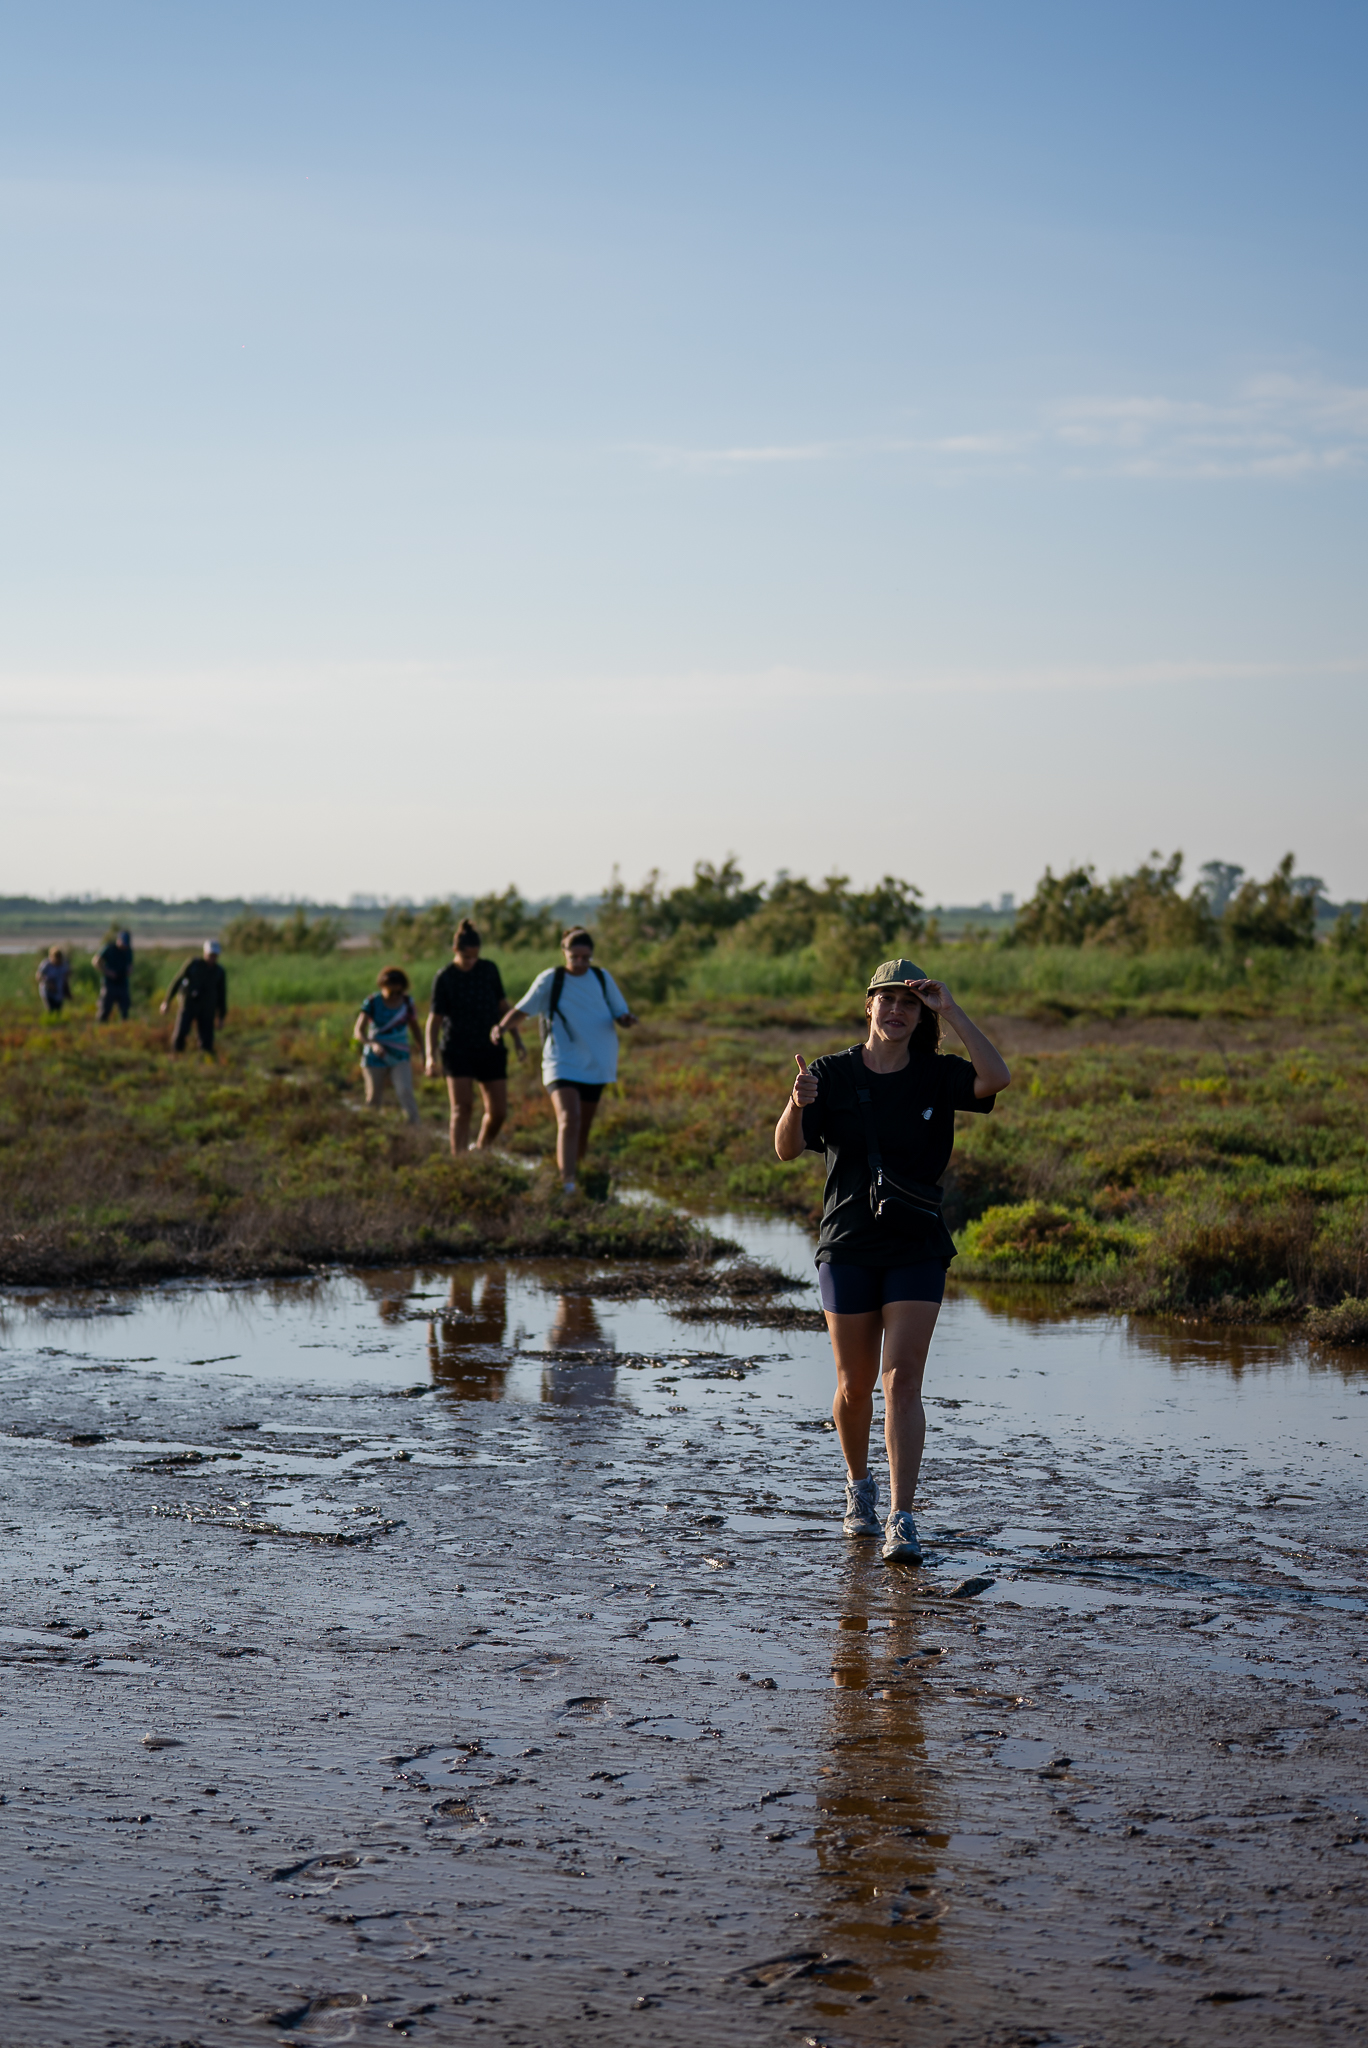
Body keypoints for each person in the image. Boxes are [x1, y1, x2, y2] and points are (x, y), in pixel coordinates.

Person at [774, 959, 1011, 1565]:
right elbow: (785, 1149)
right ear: (869, 1006)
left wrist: (951, 1010)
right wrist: (797, 1103)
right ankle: (859, 1489)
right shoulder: (830, 1072)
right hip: (848, 1243)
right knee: (854, 1386)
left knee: (902, 1378)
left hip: (917, 1245)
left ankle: (902, 1518)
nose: (898, 1011)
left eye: (910, 1002)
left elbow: (997, 1077)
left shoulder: (937, 1076)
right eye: (888, 1000)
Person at [493, 927, 637, 1194]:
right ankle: (566, 1183)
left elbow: (620, 1012)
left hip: (597, 1062)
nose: (581, 963)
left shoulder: (602, 978)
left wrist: (627, 1020)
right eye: (575, 957)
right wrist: (500, 1028)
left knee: (583, 1126)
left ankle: (577, 1174)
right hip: (561, 1061)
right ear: (564, 953)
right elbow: (522, 1010)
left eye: (586, 958)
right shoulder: (551, 980)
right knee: (570, 1118)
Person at [425, 917, 516, 1153]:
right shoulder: (445, 977)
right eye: (467, 957)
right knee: (462, 1108)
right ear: (456, 950)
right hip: (457, 1049)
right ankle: (460, 1162)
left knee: (498, 1111)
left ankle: (482, 1148)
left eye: (475, 956)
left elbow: (503, 1006)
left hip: (490, 1046)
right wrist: (430, 1055)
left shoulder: (489, 969)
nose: (471, 961)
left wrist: (517, 1039)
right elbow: (434, 1019)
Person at [354, 966, 424, 1124]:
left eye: (398, 992)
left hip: (400, 1056)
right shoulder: (372, 1002)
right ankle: (370, 1128)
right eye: (391, 992)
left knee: (405, 1091)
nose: (395, 996)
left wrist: (424, 1051)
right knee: (373, 1097)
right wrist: (372, 1044)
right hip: (375, 1057)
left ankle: (415, 1129)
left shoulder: (407, 1002)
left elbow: (415, 1028)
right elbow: (359, 1031)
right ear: (382, 987)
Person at [162, 940, 228, 1053]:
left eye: (215, 956)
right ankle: (176, 1057)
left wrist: (221, 1016)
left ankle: (205, 1062)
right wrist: (167, 1002)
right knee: (181, 1033)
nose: (212, 958)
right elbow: (178, 981)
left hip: (207, 1008)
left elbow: (222, 995)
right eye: (211, 955)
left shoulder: (219, 972)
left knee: (207, 1039)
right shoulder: (193, 964)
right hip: (189, 1004)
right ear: (205, 953)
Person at [93, 929, 134, 1022]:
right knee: (105, 1009)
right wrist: (107, 972)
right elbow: (95, 961)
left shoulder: (128, 951)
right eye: (122, 943)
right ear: (118, 940)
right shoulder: (109, 948)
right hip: (109, 983)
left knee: (125, 1009)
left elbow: (130, 965)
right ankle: (101, 1027)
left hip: (123, 982)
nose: (124, 946)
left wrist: (129, 970)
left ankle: (124, 1029)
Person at [36, 947, 73, 1013]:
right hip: (47, 991)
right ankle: (51, 1021)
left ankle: (57, 1022)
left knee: (58, 1010)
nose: (58, 960)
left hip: (59, 991)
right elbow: (38, 976)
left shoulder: (63, 965)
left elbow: (65, 979)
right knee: (50, 1009)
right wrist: (48, 983)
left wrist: (67, 992)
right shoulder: (46, 964)